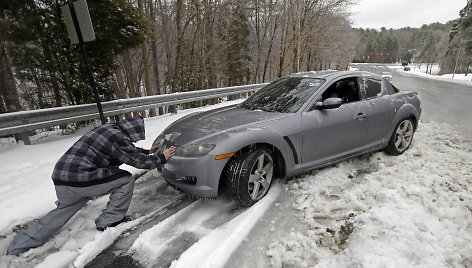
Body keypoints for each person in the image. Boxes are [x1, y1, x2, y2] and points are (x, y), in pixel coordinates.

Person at [6, 116, 176, 256]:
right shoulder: (117, 138)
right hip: (80, 179)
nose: (134, 140)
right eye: (135, 137)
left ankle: (17, 246)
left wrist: (147, 151)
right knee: (125, 179)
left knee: (60, 213)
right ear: (131, 131)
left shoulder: (108, 130)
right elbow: (137, 162)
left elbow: (124, 151)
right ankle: (109, 221)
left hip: (62, 179)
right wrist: (161, 157)